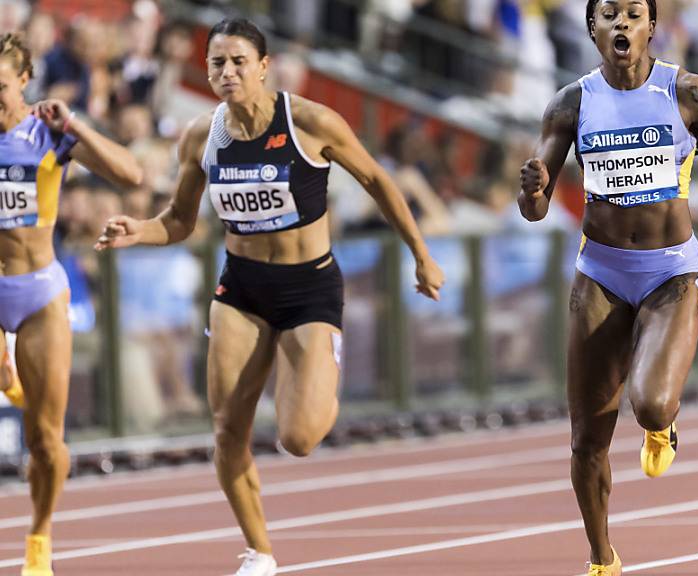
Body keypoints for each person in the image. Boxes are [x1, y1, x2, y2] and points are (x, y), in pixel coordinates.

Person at [95, 19, 445, 576]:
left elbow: (378, 180)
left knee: (299, 437)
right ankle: (260, 552)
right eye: (216, 63)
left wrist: (421, 254)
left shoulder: (309, 121)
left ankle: (319, 375)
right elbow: (181, 220)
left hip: (309, 287)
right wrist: (140, 230)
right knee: (227, 428)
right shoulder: (200, 137)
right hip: (242, 288)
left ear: (264, 65)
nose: (227, 72)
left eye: (238, 61)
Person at [519, 1, 698, 573]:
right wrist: (532, 191)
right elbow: (534, 207)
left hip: (670, 271)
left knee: (651, 404)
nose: (622, 23)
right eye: (610, 14)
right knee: (586, 439)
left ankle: (661, 427)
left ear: (652, 27)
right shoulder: (570, 103)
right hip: (600, 272)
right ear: (592, 29)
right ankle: (602, 560)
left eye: (634, 13)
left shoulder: (689, 94)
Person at [0, 33, 143, 576]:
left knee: (45, 440)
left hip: (38, 291)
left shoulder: (48, 133)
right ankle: (8, 373)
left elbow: (131, 175)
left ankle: (39, 540)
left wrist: (76, 124)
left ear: (23, 83)